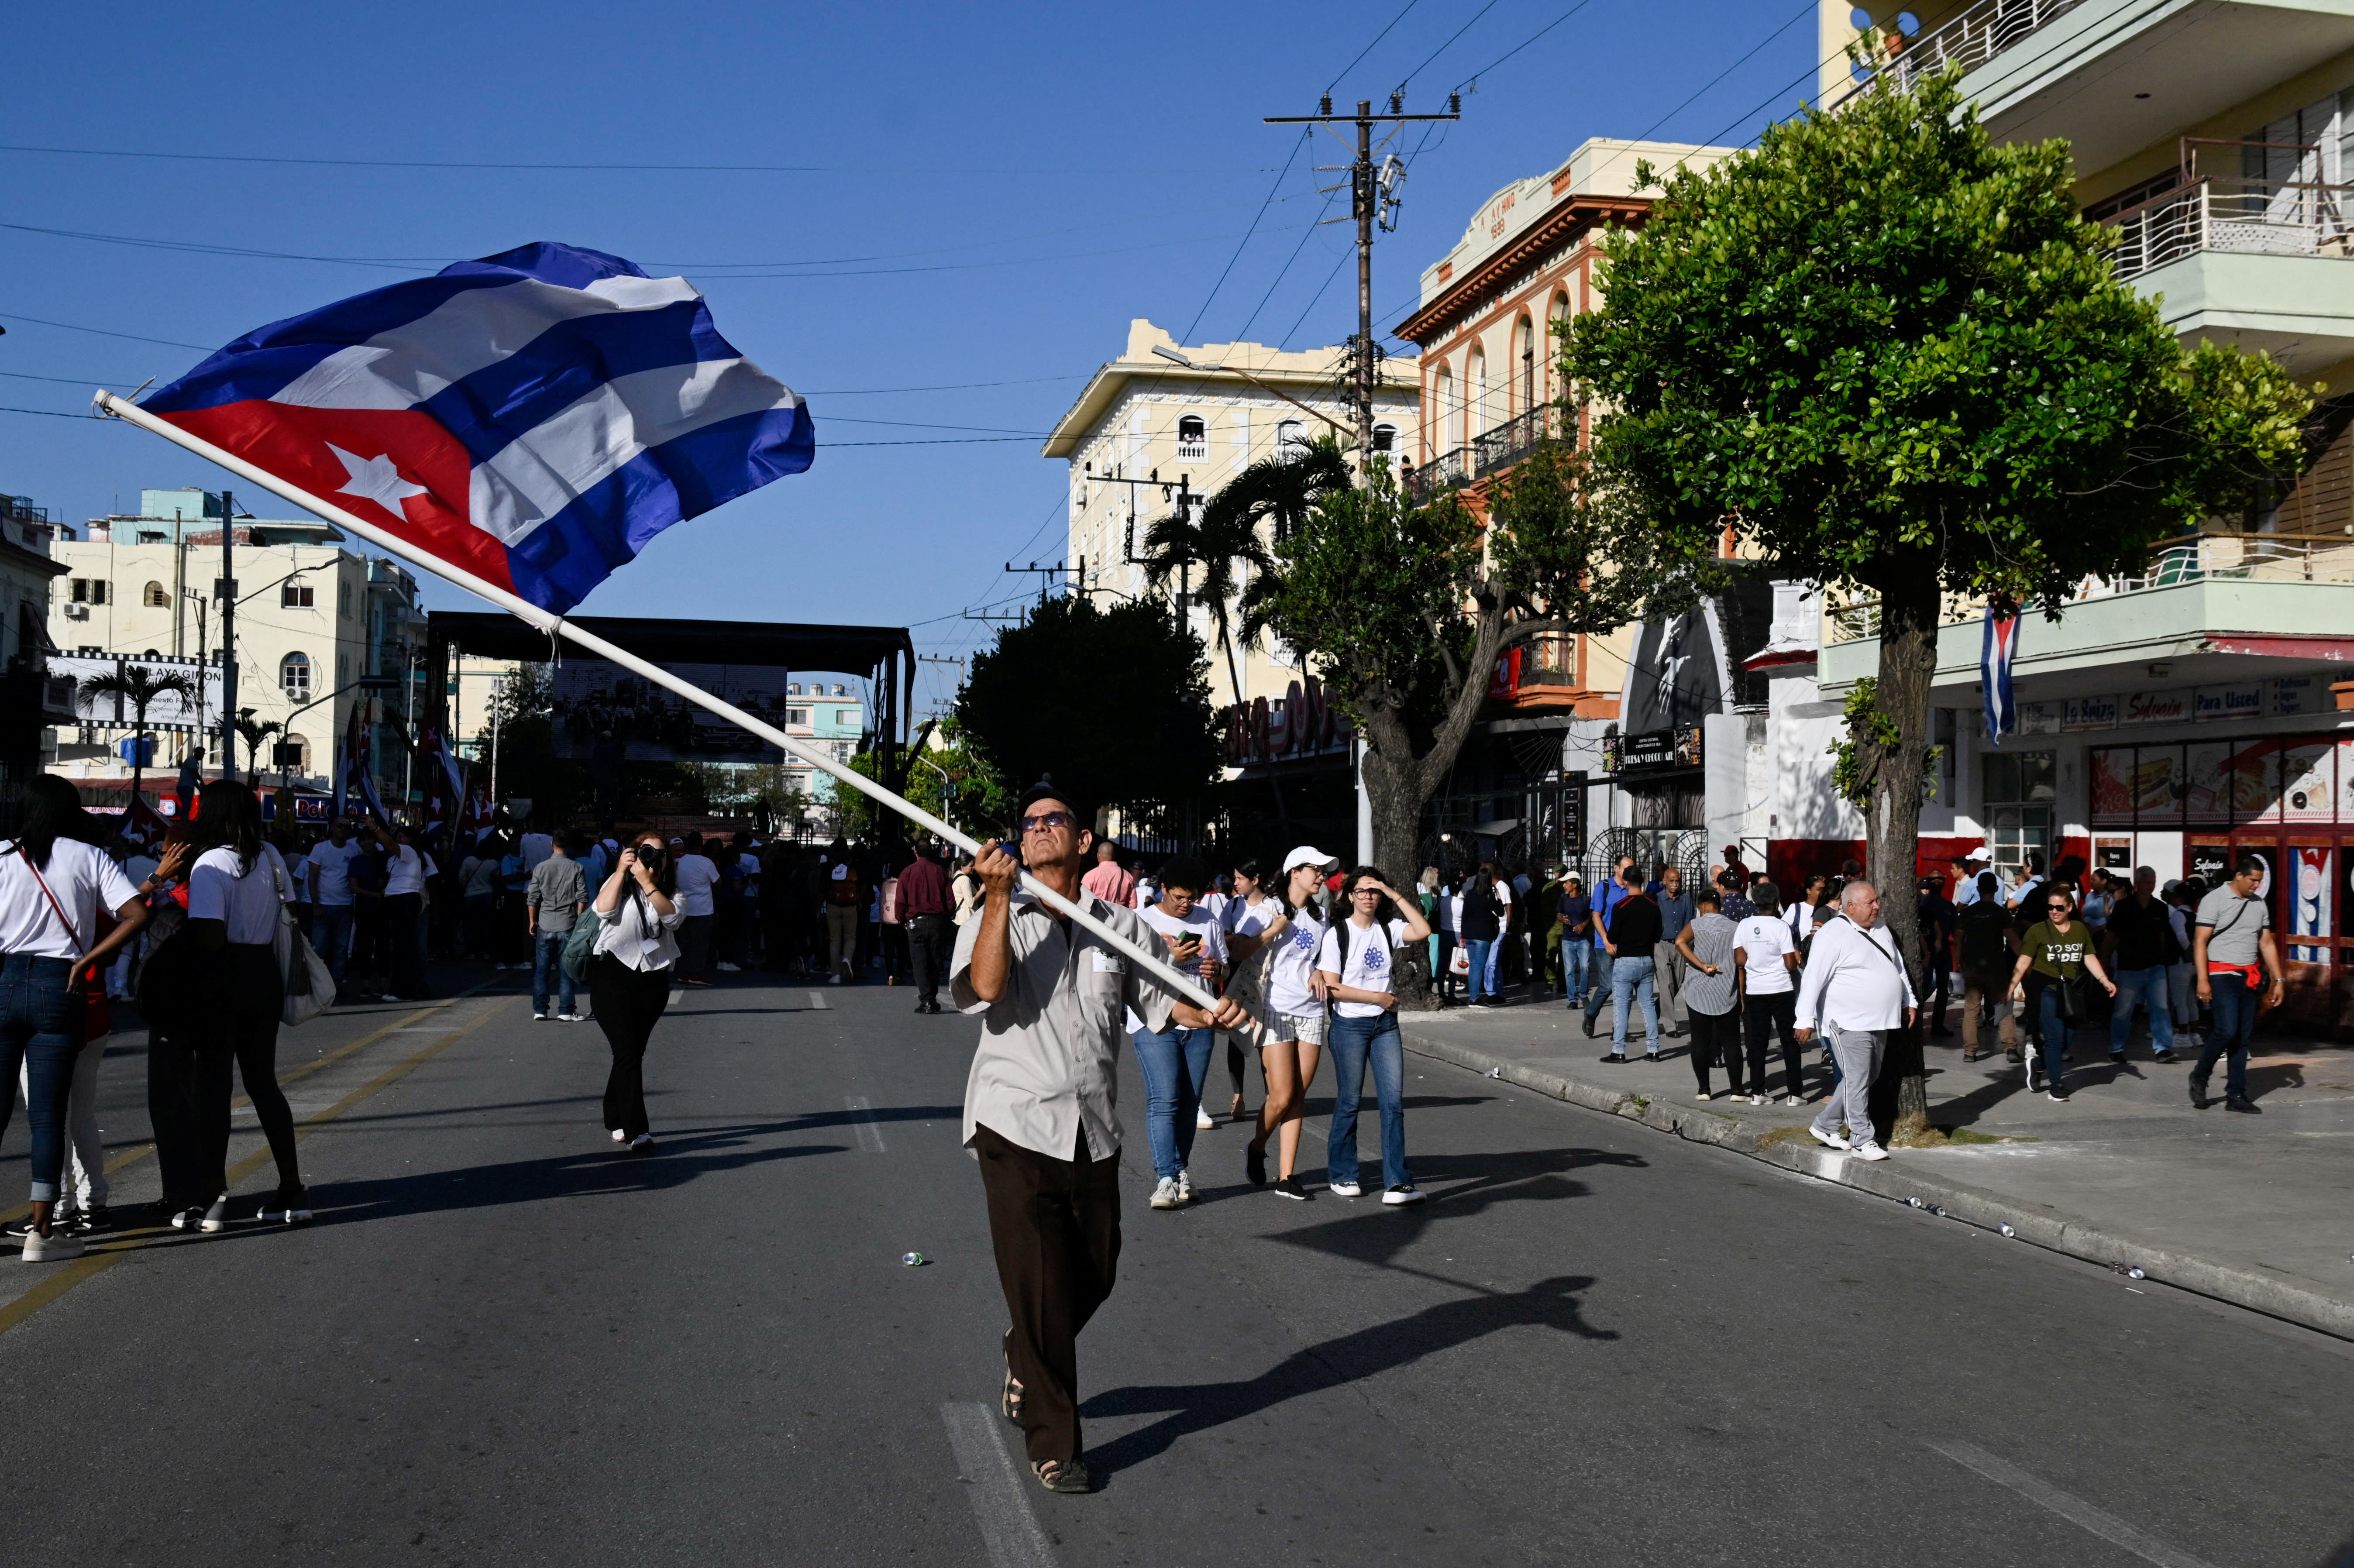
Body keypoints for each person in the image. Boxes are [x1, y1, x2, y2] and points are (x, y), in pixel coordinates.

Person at [952, 785, 1245, 1495]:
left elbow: (1158, 999)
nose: (1039, 829)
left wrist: (1206, 1010)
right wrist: (994, 900)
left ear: (1085, 840)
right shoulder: (999, 911)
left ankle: (1024, 1348)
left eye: (1054, 819)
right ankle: (1056, 1444)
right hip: (1014, 1120)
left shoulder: (1122, 926)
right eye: (1028, 823)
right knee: (1045, 1286)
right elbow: (985, 989)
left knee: (1098, 1270)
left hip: (1093, 1126)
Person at [0, 777, 152, 1259]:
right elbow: (135, 915)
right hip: (59, 984)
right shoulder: (88, 856)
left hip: (3, 981)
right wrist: (87, 961)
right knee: (48, 1116)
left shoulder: (2, 854)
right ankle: (42, 1233)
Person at [180, 780, 307, 1229]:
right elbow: (292, 911)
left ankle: (212, 1196)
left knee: (213, 1088)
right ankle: (292, 1185)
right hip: (264, 975)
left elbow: (211, 935)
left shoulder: (210, 863)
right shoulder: (272, 857)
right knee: (263, 1084)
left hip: (223, 978)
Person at [1315, 867, 1432, 1204]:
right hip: (1350, 1025)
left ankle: (1397, 1182)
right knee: (1350, 1102)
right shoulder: (1338, 934)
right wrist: (1376, 997)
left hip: (1385, 1027)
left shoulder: (1388, 928)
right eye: (1363, 891)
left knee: (1393, 1104)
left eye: (1375, 891)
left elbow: (1422, 930)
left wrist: (1394, 893)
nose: (1369, 896)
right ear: (1350, 896)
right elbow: (1332, 986)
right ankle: (1343, 1174)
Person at [1125, 855, 1227, 1201]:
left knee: (1189, 1101)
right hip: (1155, 1021)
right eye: (1179, 897)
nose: (1186, 905)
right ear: (1163, 889)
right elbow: (1131, 975)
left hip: (1201, 1019)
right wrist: (1171, 958)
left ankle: (1181, 1170)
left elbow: (1225, 967)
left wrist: (1217, 970)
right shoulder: (1142, 920)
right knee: (1164, 1098)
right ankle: (1165, 1178)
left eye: (1192, 898)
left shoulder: (1210, 920)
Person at [1796, 881, 1915, 1160]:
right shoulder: (1833, 934)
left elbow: (1897, 966)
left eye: (1877, 901)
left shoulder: (1882, 927)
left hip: (1881, 1020)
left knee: (1865, 1076)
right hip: (1847, 1022)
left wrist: (1910, 1000)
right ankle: (1863, 1139)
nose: (1877, 907)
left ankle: (1825, 1125)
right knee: (1859, 1079)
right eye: (1870, 903)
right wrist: (1804, 1019)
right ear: (1850, 907)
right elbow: (1812, 979)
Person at [1247, 848, 1337, 1200]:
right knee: (1281, 1095)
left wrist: (1317, 969)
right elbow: (1240, 950)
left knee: (1298, 1095)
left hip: (1312, 1012)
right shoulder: (1268, 909)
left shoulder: (1321, 916)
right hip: (1275, 1009)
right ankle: (1257, 1146)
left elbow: (1323, 960)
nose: (1320, 876)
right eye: (1315, 870)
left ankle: (1287, 1177)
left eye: (1322, 871)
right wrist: (1273, 930)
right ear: (1293, 872)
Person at [588, 833, 684, 1151]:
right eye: (646, 852)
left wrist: (648, 883)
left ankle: (614, 1116)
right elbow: (602, 911)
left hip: (653, 979)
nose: (652, 857)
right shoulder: (618, 885)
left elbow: (671, 918)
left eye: (659, 853)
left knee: (631, 1053)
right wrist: (621, 872)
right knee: (628, 1053)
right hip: (611, 975)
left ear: (668, 860)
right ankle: (637, 1131)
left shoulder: (673, 893)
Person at [2191, 854, 2282, 1114]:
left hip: (2250, 977)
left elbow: (2266, 943)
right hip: (2221, 975)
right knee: (2226, 1031)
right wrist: (2203, 980)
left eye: (2260, 881)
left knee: (2242, 1039)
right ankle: (2200, 1076)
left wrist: (2279, 980)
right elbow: (2200, 942)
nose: (2257, 885)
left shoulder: (2259, 904)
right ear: (2239, 876)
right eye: (2253, 880)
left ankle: (2236, 1095)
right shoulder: (2214, 900)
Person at [2009, 887, 2116, 1103]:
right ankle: (2056, 1087)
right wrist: (2010, 987)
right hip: (2046, 991)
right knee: (2056, 1039)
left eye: (2059, 908)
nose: (2054, 912)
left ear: (2069, 908)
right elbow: (2024, 961)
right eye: (2050, 907)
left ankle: (2038, 1066)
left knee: (2069, 1037)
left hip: (2072, 992)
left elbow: (2089, 957)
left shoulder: (2079, 929)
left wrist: (2104, 980)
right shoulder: (2038, 931)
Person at [1217, 859, 1283, 1124]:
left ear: (1255, 880)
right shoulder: (1233, 905)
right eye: (1235, 878)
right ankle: (1238, 1096)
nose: (1235, 883)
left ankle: (1272, 1098)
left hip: (1268, 977)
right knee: (1239, 1034)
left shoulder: (1275, 906)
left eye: (1240, 879)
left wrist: (1242, 939)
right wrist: (1238, 940)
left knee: (1265, 1038)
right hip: (1238, 976)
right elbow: (1222, 936)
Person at [1734, 880, 1804, 1104]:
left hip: (1755, 990)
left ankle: (1757, 1092)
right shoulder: (1780, 926)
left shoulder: (1744, 925)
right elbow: (1791, 964)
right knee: (1789, 1042)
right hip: (1781, 988)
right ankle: (1795, 1093)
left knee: (1758, 1043)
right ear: (1776, 902)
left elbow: (1740, 960)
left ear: (1755, 902)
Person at [2105, 866, 2179, 1065]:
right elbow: (2112, 935)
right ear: (2138, 884)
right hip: (2130, 966)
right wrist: (2105, 962)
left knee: (2160, 1008)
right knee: (2123, 1010)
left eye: (2154, 882)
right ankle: (2117, 1048)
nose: (2151, 886)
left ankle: (2163, 1049)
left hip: (2155, 966)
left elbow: (2164, 936)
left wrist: (2165, 960)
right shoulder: (2123, 906)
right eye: (2147, 882)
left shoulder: (2160, 907)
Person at [1676, 886, 1742, 1099]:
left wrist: (1700, 964)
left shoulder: (1696, 924)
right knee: (1731, 1041)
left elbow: (1680, 942)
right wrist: (1742, 993)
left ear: (1702, 906)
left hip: (1698, 991)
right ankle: (1737, 1090)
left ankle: (1704, 1089)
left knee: (1700, 1041)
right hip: (1727, 990)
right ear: (1719, 906)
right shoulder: (1735, 927)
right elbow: (1741, 962)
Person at [1594, 870, 1663, 1062]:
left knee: (1622, 1006)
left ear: (1625, 882)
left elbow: (1613, 936)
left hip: (1626, 960)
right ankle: (1654, 1050)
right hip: (1646, 960)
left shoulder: (1621, 906)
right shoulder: (1653, 905)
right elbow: (1658, 935)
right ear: (1642, 882)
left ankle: (1618, 1050)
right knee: (1648, 1005)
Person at [1954, 872, 2020, 1063]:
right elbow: (2013, 940)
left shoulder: (1967, 913)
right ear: (1997, 889)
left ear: (1978, 889)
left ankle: (1970, 1052)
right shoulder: (2002, 913)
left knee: (1972, 1010)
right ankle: (2010, 1049)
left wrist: (1959, 963)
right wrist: (2026, 961)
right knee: (2003, 1007)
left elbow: (1958, 940)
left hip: (1973, 968)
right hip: (1997, 967)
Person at [527, 831, 589, 1021]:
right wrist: (578, 918)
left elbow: (533, 898)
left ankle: (540, 1010)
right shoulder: (576, 867)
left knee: (542, 969)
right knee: (566, 969)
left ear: (552, 844)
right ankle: (566, 1010)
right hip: (567, 923)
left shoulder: (540, 868)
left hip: (545, 923)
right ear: (568, 845)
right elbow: (582, 897)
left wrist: (532, 920)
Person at [1581, 856, 1638, 1034]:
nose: (1629, 872)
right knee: (1608, 986)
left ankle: (1620, 1030)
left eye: (1632, 869)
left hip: (1626, 945)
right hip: (1604, 944)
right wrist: (1606, 939)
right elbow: (1596, 915)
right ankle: (1591, 1013)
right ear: (1617, 869)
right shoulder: (1603, 887)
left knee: (1626, 988)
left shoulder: (1632, 889)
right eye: (1626, 868)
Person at [307, 816, 363, 993]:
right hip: (324, 904)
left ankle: (336, 984)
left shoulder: (354, 851)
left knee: (341, 947)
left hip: (346, 905)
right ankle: (316, 984)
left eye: (347, 828)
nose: (343, 830)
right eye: (340, 826)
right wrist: (315, 905)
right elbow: (312, 878)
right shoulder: (320, 848)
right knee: (319, 947)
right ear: (333, 827)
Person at [897, 840, 953, 1013]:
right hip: (937, 921)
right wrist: (945, 917)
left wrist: (902, 920)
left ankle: (926, 1000)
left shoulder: (908, 872)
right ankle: (932, 998)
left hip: (916, 922)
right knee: (935, 961)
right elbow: (950, 901)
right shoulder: (940, 872)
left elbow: (900, 901)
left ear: (916, 852)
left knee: (920, 962)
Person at [1651, 866, 1694, 1038]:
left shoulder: (1686, 900)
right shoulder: (1658, 899)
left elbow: (1690, 923)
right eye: (1672, 881)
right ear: (1665, 882)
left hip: (1680, 945)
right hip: (1661, 945)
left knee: (1678, 982)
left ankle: (1657, 1007)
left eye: (1678, 881)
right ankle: (1670, 1025)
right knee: (1667, 983)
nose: (1675, 884)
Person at [672, 832, 719, 986]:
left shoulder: (681, 862)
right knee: (700, 943)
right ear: (702, 844)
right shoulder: (707, 862)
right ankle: (696, 973)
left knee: (685, 943)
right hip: (703, 909)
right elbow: (717, 881)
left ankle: (683, 973)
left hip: (684, 908)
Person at [1457, 861, 1504, 1009]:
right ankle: (1475, 998)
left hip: (1469, 934)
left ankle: (1473, 996)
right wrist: (1499, 898)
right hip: (1482, 935)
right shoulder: (1489, 896)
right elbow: (1501, 913)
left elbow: (1465, 915)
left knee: (1473, 967)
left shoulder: (1470, 894)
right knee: (1479, 967)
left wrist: (1463, 935)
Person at [823, 856, 861, 985]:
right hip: (850, 907)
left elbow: (823, 889)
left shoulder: (829, 868)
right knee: (850, 937)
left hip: (833, 906)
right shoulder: (853, 870)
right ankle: (847, 959)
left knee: (835, 940)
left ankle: (836, 974)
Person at [1557, 876, 1592, 1015]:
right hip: (1568, 940)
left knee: (1585, 967)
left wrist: (1584, 924)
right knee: (1569, 971)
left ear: (1575, 885)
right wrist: (1563, 919)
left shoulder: (1586, 900)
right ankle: (1573, 999)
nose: (1565, 886)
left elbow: (1593, 915)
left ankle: (1583, 993)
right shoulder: (1563, 898)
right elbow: (1559, 914)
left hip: (1583, 940)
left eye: (1567, 883)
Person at [1078, 839, 1135, 909]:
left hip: (1094, 918)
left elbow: (1082, 902)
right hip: (1119, 918)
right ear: (1114, 855)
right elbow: (1133, 905)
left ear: (1098, 856)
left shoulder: (1090, 876)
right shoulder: (1128, 876)